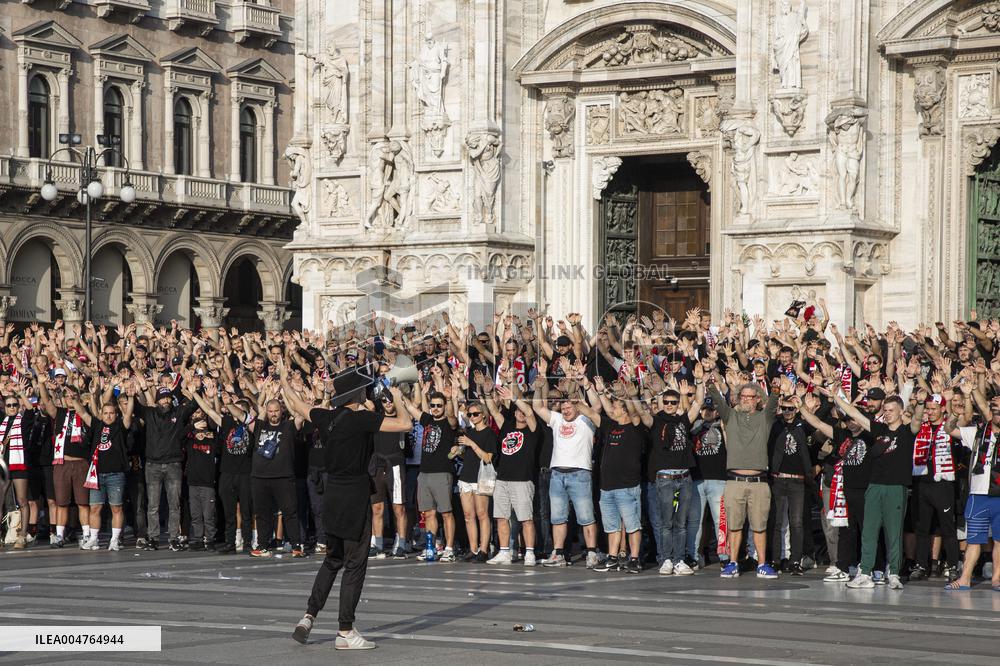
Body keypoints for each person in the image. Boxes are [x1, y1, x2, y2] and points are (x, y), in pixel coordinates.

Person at [289, 372, 412, 650]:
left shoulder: (326, 417)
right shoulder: (362, 420)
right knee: (355, 562)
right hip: (355, 494)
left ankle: (308, 616)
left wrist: (285, 380)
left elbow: (298, 406)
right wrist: (399, 399)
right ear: (357, 395)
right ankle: (345, 630)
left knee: (333, 558)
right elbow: (405, 423)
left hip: (333, 493)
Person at [831, 391, 913, 590]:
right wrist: (836, 396)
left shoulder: (907, 431)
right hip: (874, 486)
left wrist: (916, 399)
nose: (888, 413)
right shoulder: (879, 429)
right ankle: (865, 573)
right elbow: (854, 413)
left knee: (893, 532)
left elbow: (918, 418)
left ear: (901, 412)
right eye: (885, 410)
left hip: (896, 487)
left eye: (892, 410)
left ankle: (893, 573)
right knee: (868, 531)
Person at [709, 375, 783, 579]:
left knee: (760, 526)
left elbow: (773, 404)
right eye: (743, 396)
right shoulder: (731, 416)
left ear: (758, 399)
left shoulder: (764, 418)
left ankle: (761, 563)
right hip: (735, 481)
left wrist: (775, 389)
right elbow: (718, 401)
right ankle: (732, 562)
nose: (747, 400)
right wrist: (707, 383)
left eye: (751, 397)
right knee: (734, 525)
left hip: (759, 481)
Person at [532, 369, 602, 568]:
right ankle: (559, 553)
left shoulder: (585, 420)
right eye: (563, 406)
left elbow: (596, 405)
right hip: (557, 474)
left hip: (579, 473)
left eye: (570, 406)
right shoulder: (556, 420)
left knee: (586, 517)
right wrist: (539, 387)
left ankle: (591, 553)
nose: (565, 409)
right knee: (558, 517)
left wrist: (586, 384)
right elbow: (537, 406)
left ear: (578, 407)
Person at [592, 378, 648, 574]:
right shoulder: (610, 426)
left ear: (624, 410)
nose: (612, 410)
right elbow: (592, 412)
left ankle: (634, 558)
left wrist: (631, 397)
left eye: (616, 407)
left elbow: (635, 413)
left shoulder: (635, 427)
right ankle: (613, 557)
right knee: (612, 526)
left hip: (627, 486)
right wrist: (595, 391)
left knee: (632, 525)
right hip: (607, 487)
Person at [135, 381, 198, 551]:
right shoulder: (149, 413)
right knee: (153, 506)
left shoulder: (178, 412)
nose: (165, 402)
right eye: (162, 399)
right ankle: (153, 538)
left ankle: (173, 538)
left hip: (173, 465)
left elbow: (193, 405)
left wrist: (194, 390)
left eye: (168, 398)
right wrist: (132, 391)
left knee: (174, 505)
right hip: (153, 465)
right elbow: (134, 406)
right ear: (156, 402)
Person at [947, 392, 1000, 590]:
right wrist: (954, 414)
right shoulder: (978, 432)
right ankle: (965, 578)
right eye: (996, 413)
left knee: (999, 540)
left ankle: (997, 578)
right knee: (974, 539)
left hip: (999, 495)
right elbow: (949, 429)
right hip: (978, 495)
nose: (999, 416)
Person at [76, 382, 135, 551]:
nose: (109, 416)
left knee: (116, 508)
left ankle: (115, 540)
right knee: (95, 508)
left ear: (116, 414)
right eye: (106, 413)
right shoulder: (97, 425)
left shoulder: (120, 426)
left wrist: (130, 397)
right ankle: (93, 539)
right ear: (101, 415)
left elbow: (129, 414)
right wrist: (75, 399)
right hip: (97, 474)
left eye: (112, 413)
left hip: (116, 474)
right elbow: (82, 412)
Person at [484, 384, 539, 566]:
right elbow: (493, 410)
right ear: (514, 413)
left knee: (526, 519)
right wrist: (486, 392)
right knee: (501, 517)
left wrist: (515, 398)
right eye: (518, 412)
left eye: (522, 411)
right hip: (502, 479)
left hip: (522, 480)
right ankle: (504, 551)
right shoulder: (507, 427)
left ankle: (529, 552)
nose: (521, 414)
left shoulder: (532, 430)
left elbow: (530, 413)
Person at [249, 392, 305, 559]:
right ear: (266, 411)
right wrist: (264, 394)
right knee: (262, 513)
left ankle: (296, 546)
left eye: (276, 410)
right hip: (259, 477)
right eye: (270, 411)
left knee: (290, 511)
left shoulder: (288, 426)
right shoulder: (259, 426)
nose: (273, 414)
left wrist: (286, 395)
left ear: (281, 411)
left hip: (283, 476)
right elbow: (247, 416)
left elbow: (300, 414)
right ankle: (262, 545)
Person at [452, 396, 496, 562]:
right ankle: (473, 548)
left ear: (483, 415)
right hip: (466, 477)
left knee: (482, 514)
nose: (472, 417)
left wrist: (471, 444)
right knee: (468, 515)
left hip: (481, 477)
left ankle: (484, 550)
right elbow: (467, 455)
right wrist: (459, 450)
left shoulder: (489, 434)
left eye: (475, 414)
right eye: (469, 415)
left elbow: (487, 458)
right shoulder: (468, 432)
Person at [369, 392, 410, 559]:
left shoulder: (402, 420)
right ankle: (376, 544)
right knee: (377, 508)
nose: (387, 403)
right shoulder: (376, 419)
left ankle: (401, 543)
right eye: (384, 400)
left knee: (398, 508)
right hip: (377, 467)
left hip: (396, 467)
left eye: (390, 400)